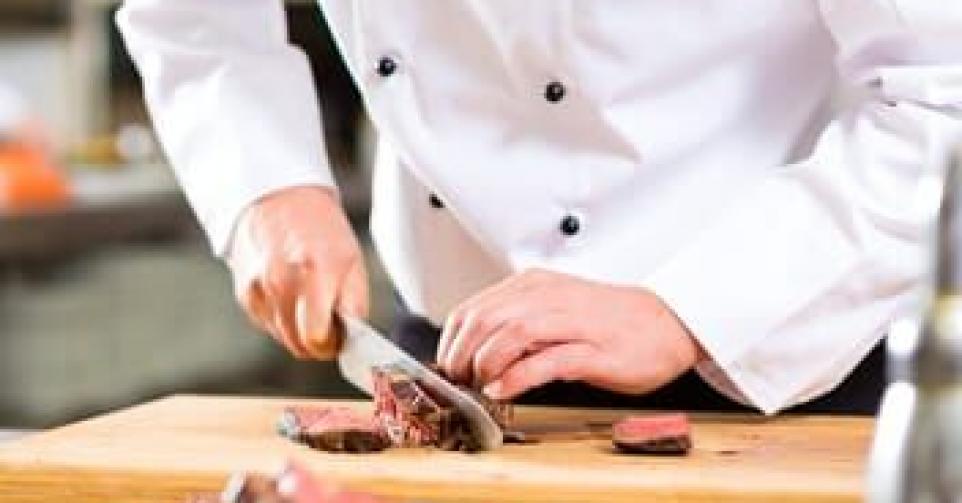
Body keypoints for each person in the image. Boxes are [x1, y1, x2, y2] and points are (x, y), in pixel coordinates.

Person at [116, 2, 962, 415]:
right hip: (451, 369)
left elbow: (941, 93)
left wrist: (692, 307)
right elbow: (193, 16)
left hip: (785, 343)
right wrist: (263, 177)